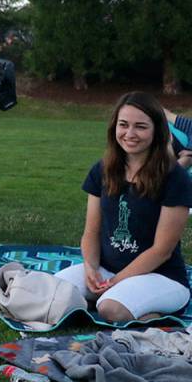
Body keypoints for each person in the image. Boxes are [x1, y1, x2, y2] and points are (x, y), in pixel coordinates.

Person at [53, 92, 192, 322]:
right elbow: (91, 232)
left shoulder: (175, 178)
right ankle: (109, 300)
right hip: (108, 270)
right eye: (123, 125)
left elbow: (162, 250)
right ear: (114, 127)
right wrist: (90, 268)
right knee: (53, 292)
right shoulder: (102, 170)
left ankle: (156, 316)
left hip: (161, 276)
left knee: (110, 309)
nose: (130, 134)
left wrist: (115, 282)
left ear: (157, 131)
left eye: (140, 127)